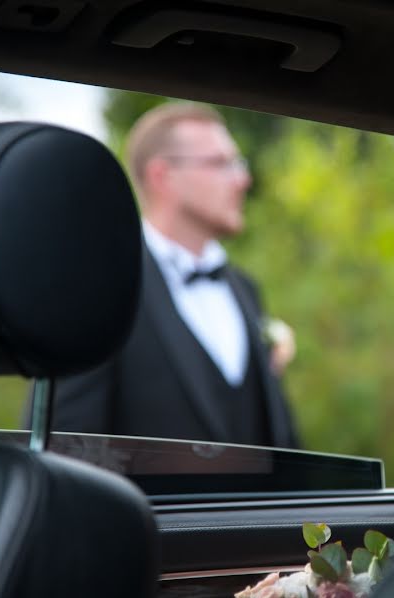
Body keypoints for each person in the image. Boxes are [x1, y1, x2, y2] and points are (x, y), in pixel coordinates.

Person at [48, 102, 298, 448]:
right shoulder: (99, 287)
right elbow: (67, 445)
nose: (243, 179)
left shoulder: (247, 290)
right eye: (222, 163)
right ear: (162, 176)